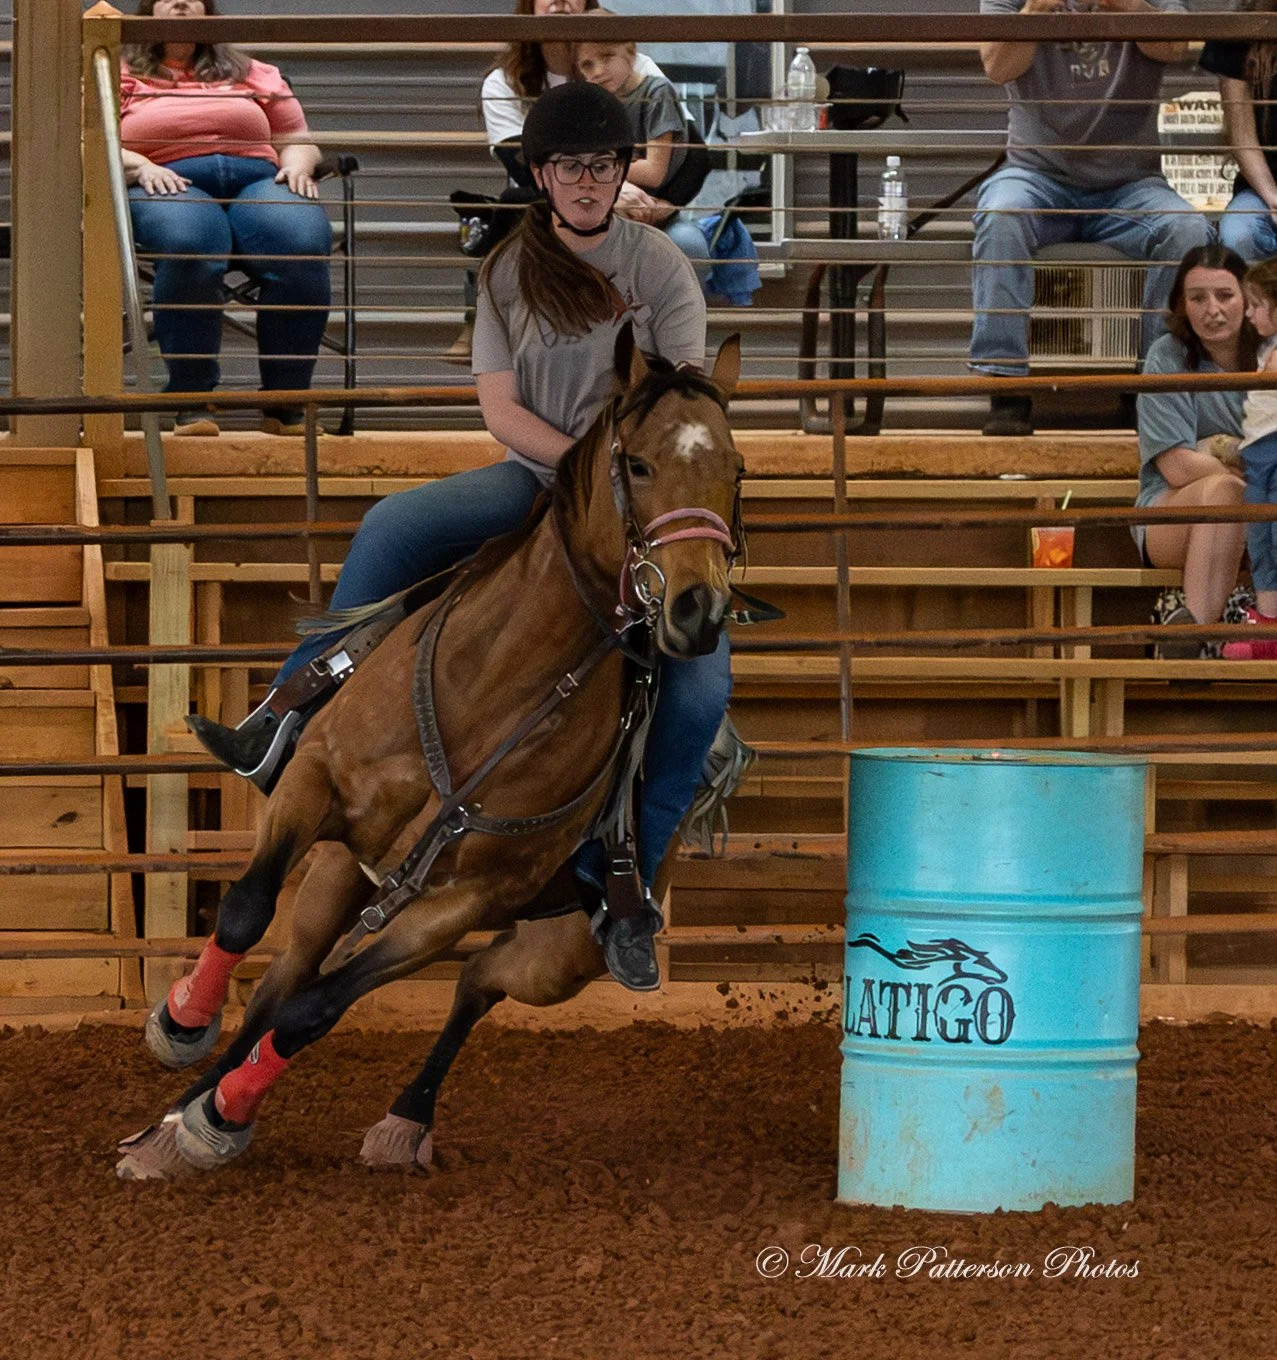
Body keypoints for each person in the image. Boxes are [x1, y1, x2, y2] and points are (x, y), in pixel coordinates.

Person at [188, 83, 732, 993]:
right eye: (570, 166)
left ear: (620, 172)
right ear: (540, 175)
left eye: (603, 165)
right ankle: (286, 714)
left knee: (699, 692)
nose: (588, 180)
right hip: (538, 477)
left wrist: (621, 488)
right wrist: (578, 469)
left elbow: (680, 409)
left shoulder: (661, 268)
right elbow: (499, 410)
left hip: (638, 509)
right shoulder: (508, 272)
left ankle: (625, 887)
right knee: (392, 523)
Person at [973, 0, 1212, 436]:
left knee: (1187, 229)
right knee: (1001, 214)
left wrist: (1125, 4)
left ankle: (1150, 386)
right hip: (1036, 174)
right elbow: (997, 67)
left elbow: (1174, 46)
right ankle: (1005, 384)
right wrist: (1036, 8)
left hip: (1129, 184)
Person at [120, 0, 333, 435]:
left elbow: (297, 137)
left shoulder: (252, 71)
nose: (181, 2)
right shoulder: (116, 73)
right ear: (146, 13)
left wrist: (298, 164)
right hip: (166, 177)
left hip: (258, 178)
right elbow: (93, 140)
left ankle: (285, 404)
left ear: (210, 13)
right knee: (191, 247)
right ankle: (192, 401)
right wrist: (140, 166)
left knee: (302, 245)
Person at [1137, 245, 1253, 657]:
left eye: (1225, 295)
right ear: (1182, 305)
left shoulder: (1270, 356)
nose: (1212, 310)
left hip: (1262, 508)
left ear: (1248, 299)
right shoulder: (1166, 356)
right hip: (1171, 512)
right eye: (1198, 298)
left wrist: (1216, 449)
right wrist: (1246, 469)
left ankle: (1193, 636)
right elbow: (1177, 467)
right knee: (1224, 492)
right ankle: (1194, 641)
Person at [575, 16, 712, 273]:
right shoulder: (593, 102)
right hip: (611, 209)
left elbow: (653, 172)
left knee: (690, 246)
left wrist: (597, 168)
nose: (598, 71)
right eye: (587, 65)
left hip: (656, 210)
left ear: (630, 51)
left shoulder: (656, 92)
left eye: (607, 57)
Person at [1222, 259, 1277, 657]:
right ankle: (1268, 621)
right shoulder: (1265, 348)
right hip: (1258, 454)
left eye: (1257, 305)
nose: (1248, 313)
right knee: (1259, 537)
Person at [1202, 2, 1277, 263]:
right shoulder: (1238, 31)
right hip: (1261, 189)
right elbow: (1241, 136)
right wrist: (1273, 198)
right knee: (1237, 234)